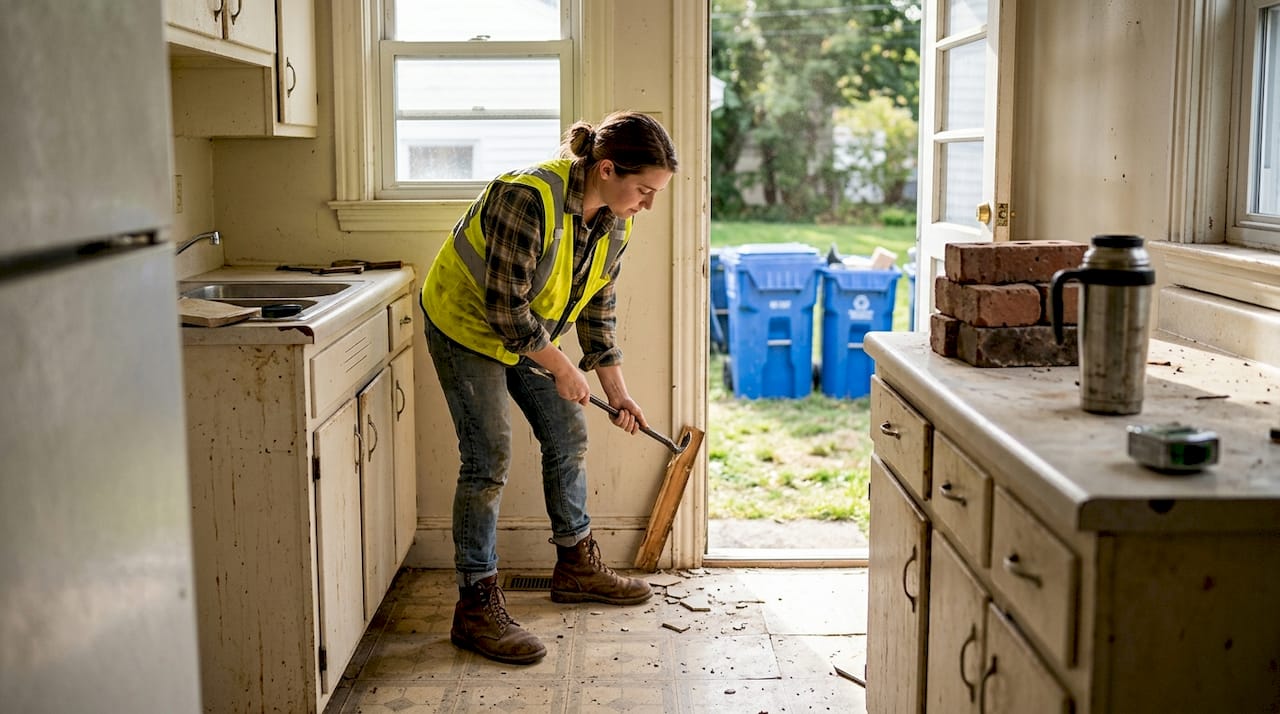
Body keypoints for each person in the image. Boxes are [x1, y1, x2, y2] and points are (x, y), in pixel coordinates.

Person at [420, 110, 679, 665]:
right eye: (644, 189)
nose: (648, 204)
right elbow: (505, 310)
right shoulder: (527, 197)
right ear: (606, 168)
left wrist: (619, 389)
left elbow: (597, 313)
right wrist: (562, 368)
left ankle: (576, 565)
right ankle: (474, 603)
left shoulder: (616, 219)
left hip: (528, 333)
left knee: (568, 435)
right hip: (467, 325)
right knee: (488, 458)